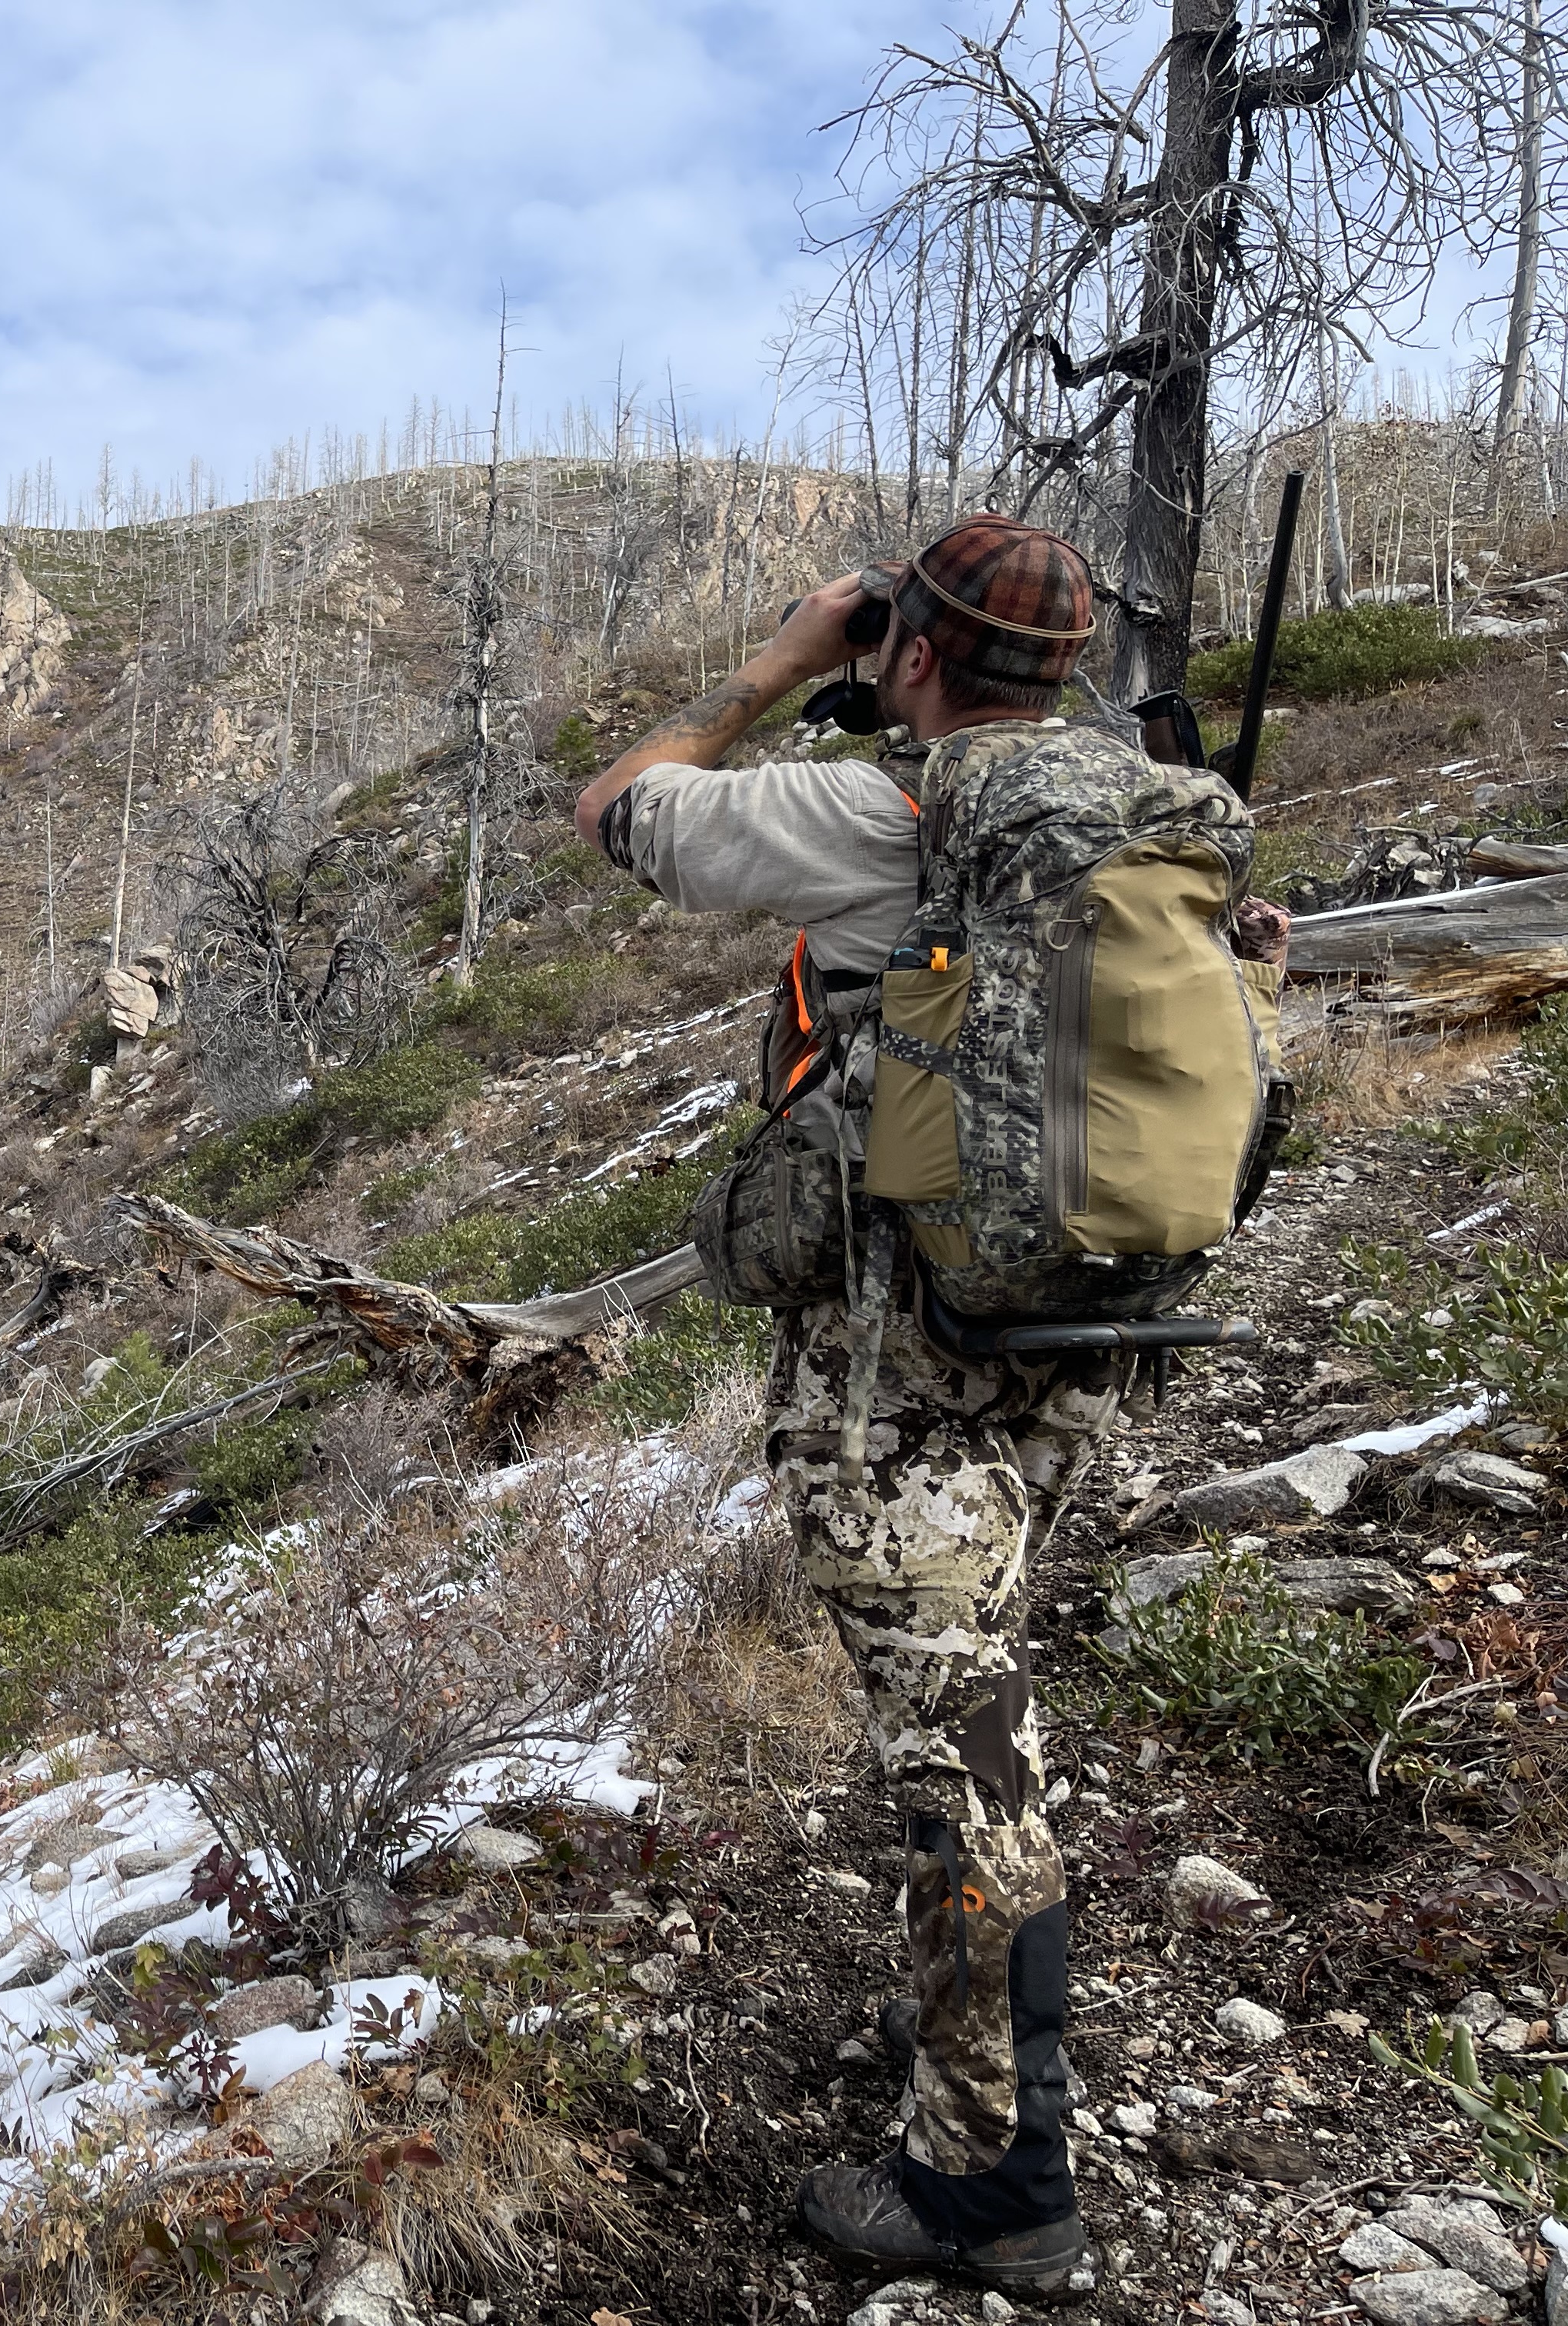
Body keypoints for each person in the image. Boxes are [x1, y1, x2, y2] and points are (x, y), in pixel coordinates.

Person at [571, 517, 1126, 2295]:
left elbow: (619, 811)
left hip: (906, 1370)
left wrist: (783, 663)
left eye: (892, 636)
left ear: (918, 650)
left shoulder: (900, 816)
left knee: (970, 1770)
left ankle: (994, 2185)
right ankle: (975, 2084)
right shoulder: (1139, 812)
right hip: (1072, 1343)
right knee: (970, 1727)